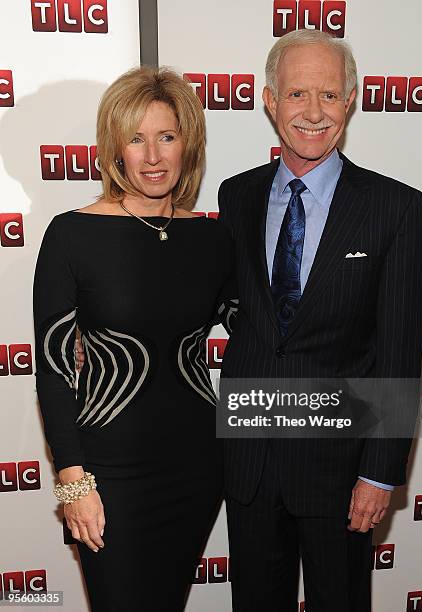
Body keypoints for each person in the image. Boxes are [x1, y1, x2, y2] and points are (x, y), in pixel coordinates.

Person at [217, 30, 422, 611]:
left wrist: (381, 473)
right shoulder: (236, 198)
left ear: (352, 101)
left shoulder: (394, 207)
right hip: (251, 461)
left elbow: (400, 351)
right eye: (297, 94)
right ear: (268, 100)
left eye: (330, 95)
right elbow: (215, 305)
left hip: (342, 471)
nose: (313, 113)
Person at [33, 66, 236, 612]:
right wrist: (74, 482)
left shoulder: (213, 238)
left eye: (166, 136)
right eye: (136, 138)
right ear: (114, 149)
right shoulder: (72, 234)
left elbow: (262, 333)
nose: (152, 156)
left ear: (187, 142)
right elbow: (53, 370)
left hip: (197, 468)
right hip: (109, 476)